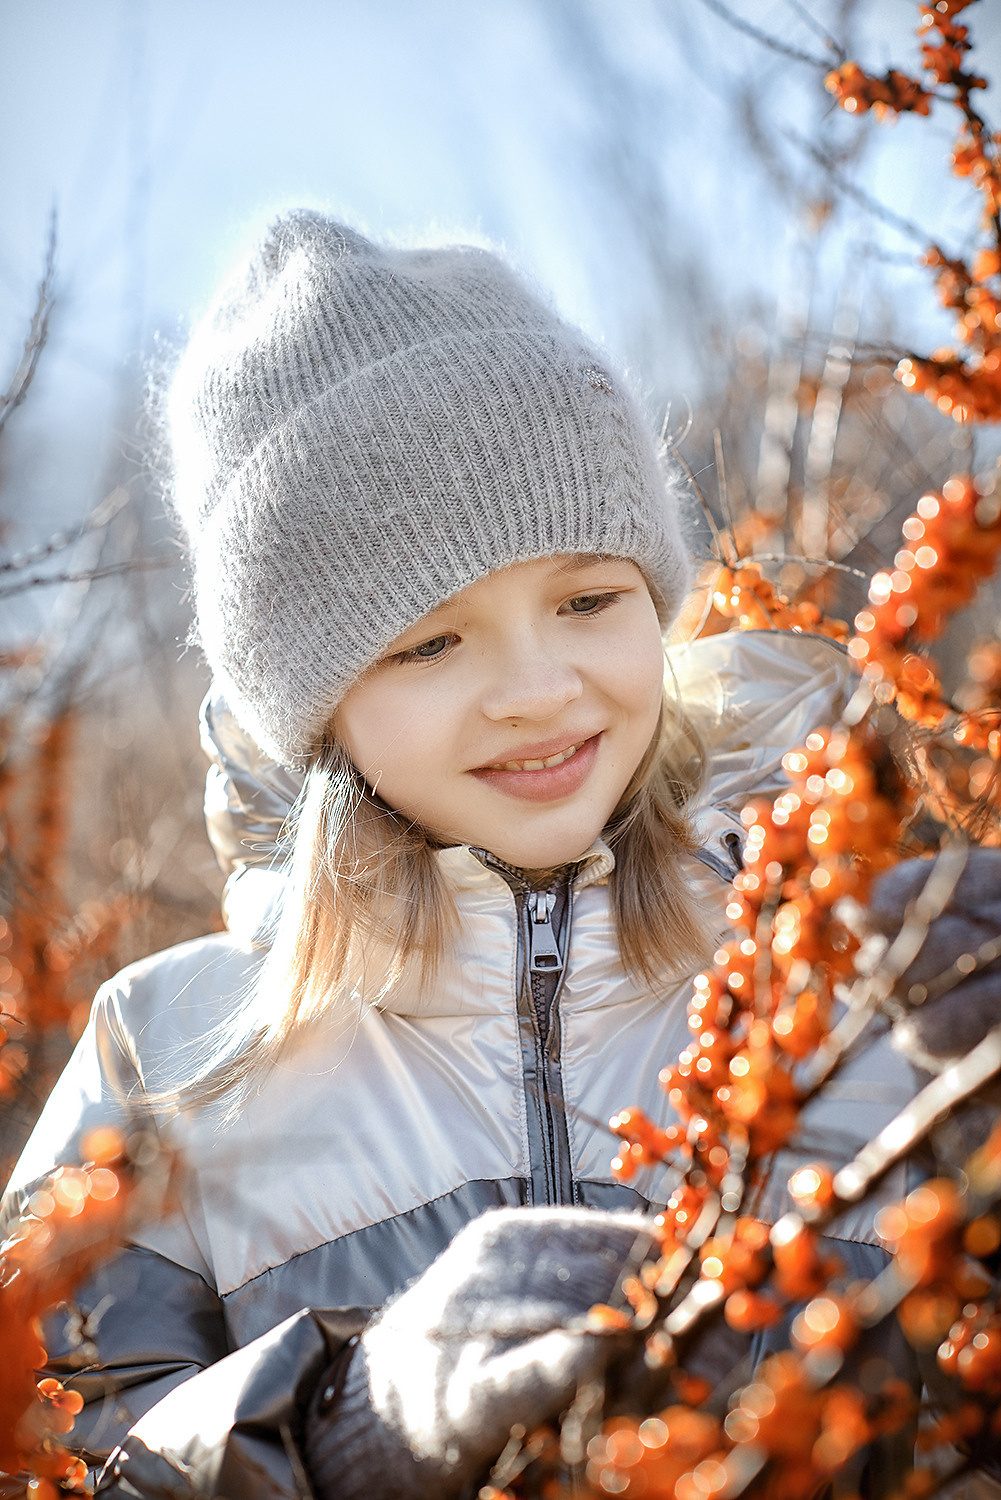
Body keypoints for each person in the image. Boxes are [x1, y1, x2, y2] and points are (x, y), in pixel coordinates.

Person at [2, 213, 997, 1499]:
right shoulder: (162, 1064)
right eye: (430, 643)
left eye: (586, 601)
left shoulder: (857, 973)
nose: (536, 690)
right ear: (313, 708)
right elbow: (54, 1456)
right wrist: (337, 1428)